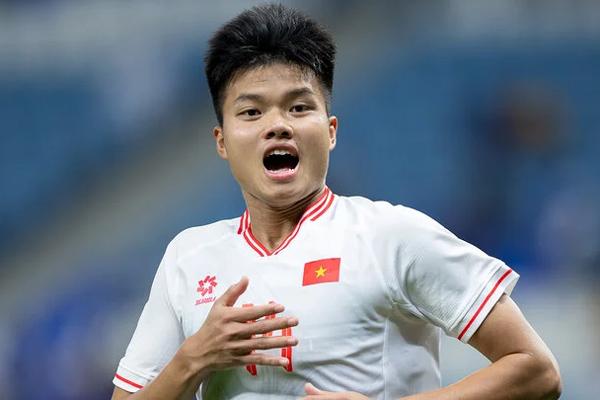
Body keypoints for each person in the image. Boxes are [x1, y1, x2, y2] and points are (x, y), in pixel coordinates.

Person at [111, 4, 561, 399]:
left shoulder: (393, 236)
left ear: (330, 132)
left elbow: (536, 369)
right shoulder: (188, 257)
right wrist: (193, 358)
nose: (277, 125)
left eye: (299, 107)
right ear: (222, 141)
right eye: (251, 112)